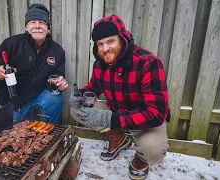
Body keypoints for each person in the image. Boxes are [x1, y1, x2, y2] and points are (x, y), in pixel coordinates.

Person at [69, 15, 170, 180]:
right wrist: (80, 94)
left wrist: (110, 118)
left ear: (122, 38)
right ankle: (119, 138)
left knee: (154, 151)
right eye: (100, 44)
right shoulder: (100, 63)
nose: (105, 49)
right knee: (76, 110)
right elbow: (93, 88)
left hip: (143, 120)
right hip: (115, 113)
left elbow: (156, 113)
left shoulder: (148, 62)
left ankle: (141, 158)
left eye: (110, 41)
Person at [0, 3, 68, 124]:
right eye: (32, 22)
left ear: (48, 28)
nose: (37, 26)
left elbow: (58, 76)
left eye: (42, 22)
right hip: (11, 102)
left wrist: (59, 83)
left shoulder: (57, 51)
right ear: (26, 27)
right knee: (10, 137)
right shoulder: (11, 44)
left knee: (56, 98)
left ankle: (49, 132)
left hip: (36, 99)